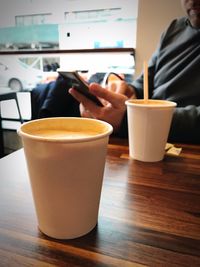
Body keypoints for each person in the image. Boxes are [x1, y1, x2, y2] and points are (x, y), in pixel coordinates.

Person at [69, 0, 200, 144]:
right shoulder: (174, 28)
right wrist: (125, 91)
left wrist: (135, 118)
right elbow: (144, 82)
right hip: (146, 138)